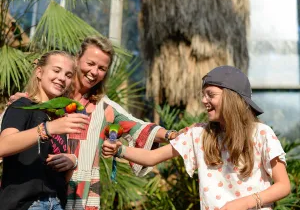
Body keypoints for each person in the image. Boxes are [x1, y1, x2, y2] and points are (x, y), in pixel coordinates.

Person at [5, 35, 177, 209]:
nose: (94, 72)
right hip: (38, 193)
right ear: (77, 60)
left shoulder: (104, 107)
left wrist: (173, 135)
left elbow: (140, 128)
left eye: (102, 68)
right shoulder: (51, 95)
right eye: (91, 63)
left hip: (82, 193)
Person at [102, 65, 291, 210]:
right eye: (203, 95)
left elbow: (283, 186)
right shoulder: (199, 134)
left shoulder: (262, 134)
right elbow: (152, 157)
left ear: (232, 98)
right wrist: (120, 149)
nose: (203, 101)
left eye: (211, 95)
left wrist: (244, 203)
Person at [0, 50, 89, 210]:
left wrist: (71, 162)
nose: (62, 78)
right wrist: (47, 129)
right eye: (56, 70)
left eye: (68, 75)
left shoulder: (58, 117)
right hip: (25, 203)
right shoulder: (22, 105)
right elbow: (2, 146)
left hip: (56, 202)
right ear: (39, 72)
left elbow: (54, 171)